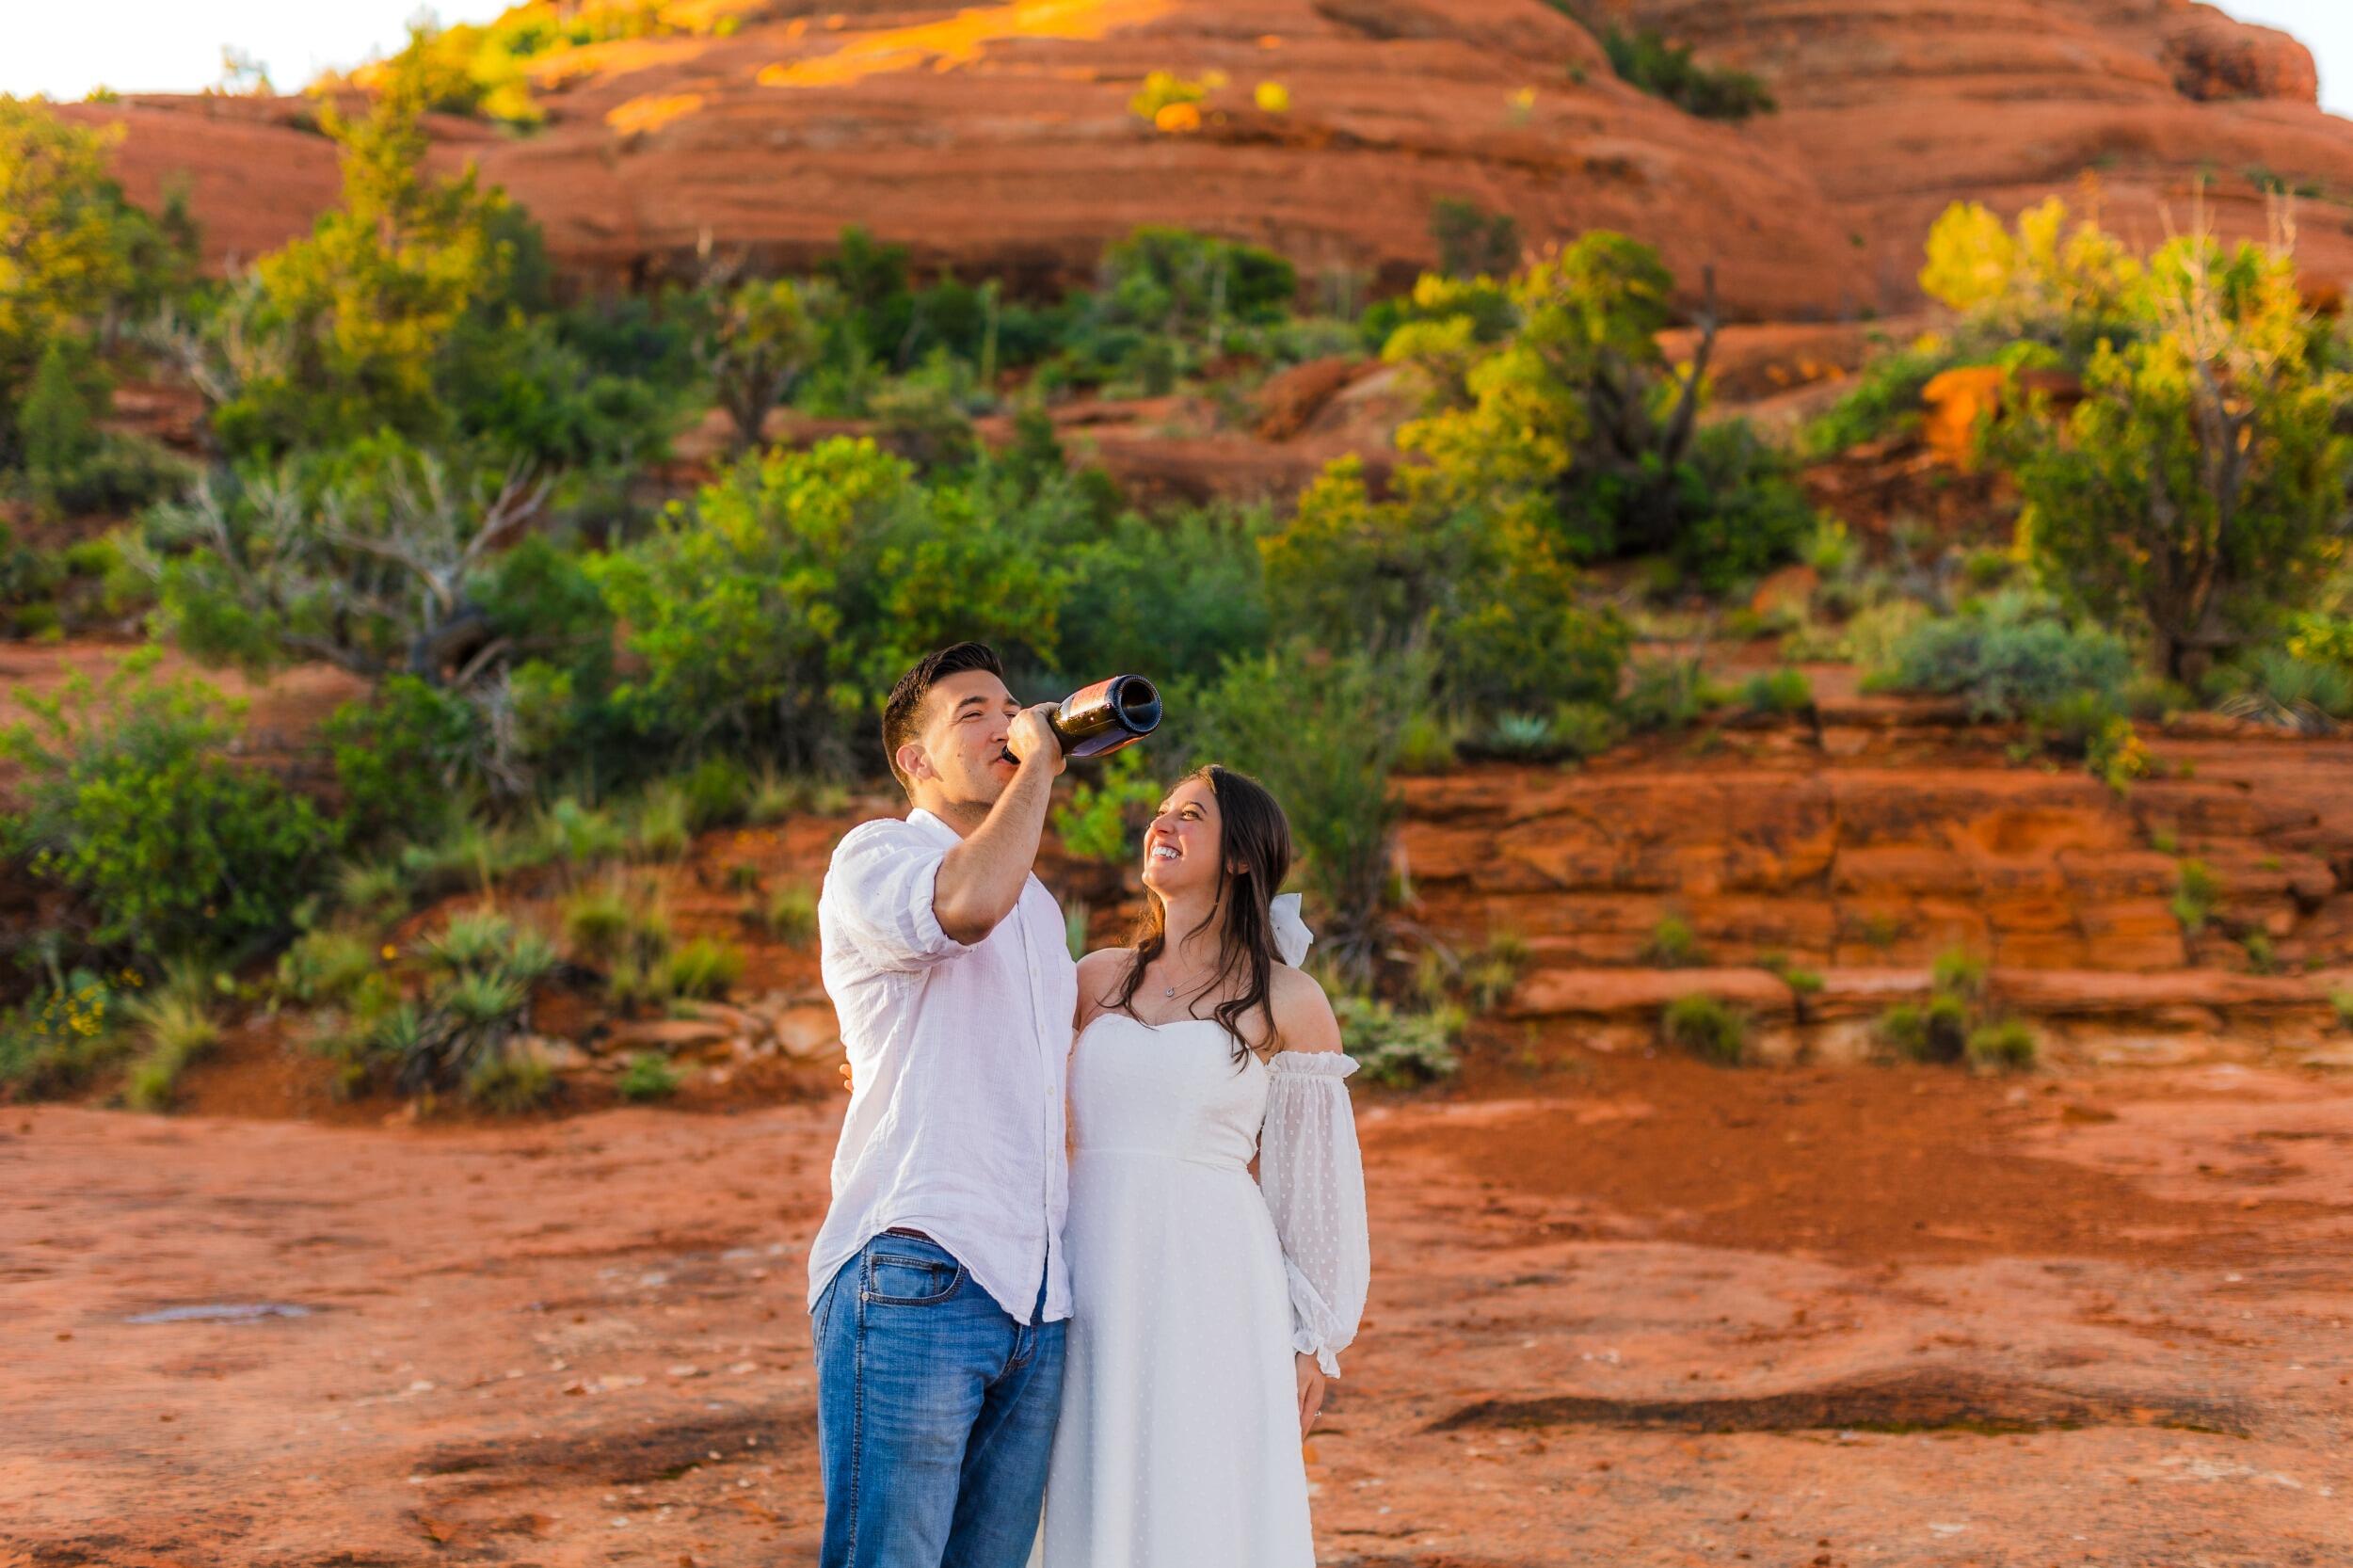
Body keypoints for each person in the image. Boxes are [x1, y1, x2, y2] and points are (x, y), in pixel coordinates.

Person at [1035, 764, 1371, 1567]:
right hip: (1092, 1263)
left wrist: (1311, 1341)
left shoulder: (1289, 999)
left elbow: (1313, 1184)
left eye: (1192, 815)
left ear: (1242, 859)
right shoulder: (1092, 979)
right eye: (1161, 812)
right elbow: (995, 1072)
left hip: (1214, 1277)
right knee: (1086, 1469)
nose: (1164, 824)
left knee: (1201, 1482)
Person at [807, 641, 1076, 1568]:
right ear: (912, 760)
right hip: (919, 1264)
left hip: (1034, 1297)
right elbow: (961, 906)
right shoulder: (877, 853)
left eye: (1010, 705)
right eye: (973, 711)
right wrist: (1038, 765)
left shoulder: (1038, 905)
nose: (1006, 721)